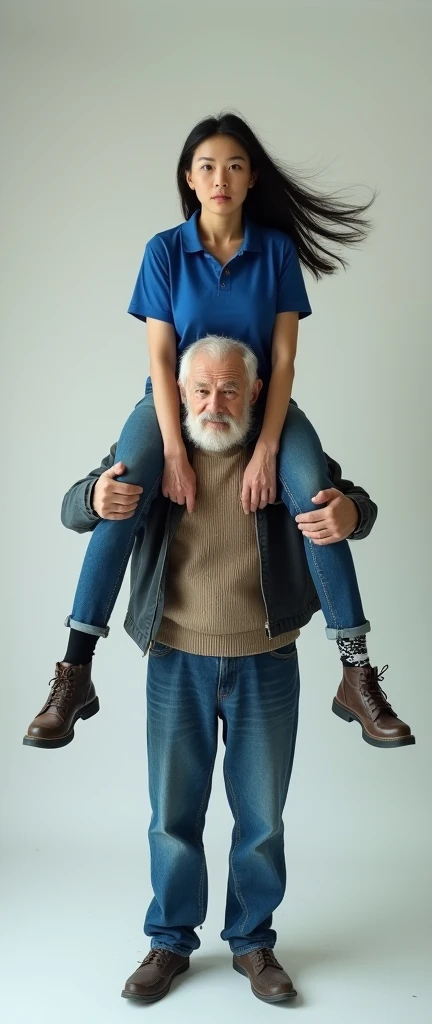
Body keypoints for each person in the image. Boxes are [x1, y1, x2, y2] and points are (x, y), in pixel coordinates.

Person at [26, 340, 413, 1003]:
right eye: (200, 390)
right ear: (177, 390)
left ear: (257, 392)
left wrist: (354, 511)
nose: (214, 403)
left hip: (267, 661)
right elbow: (72, 508)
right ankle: (170, 940)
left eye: (230, 389)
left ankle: (253, 942)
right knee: (172, 817)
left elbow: (353, 504)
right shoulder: (158, 453)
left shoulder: (285, 459)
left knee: (261, 819)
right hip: (177, 659)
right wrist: (96, 496)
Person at [24, 110, 413, 744]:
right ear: (189, 177)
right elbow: (158, 358)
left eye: (234, 165)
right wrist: (173, 451)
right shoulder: (164, 250)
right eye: (207, 166)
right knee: (119, 492)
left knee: (316, 488)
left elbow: (284, 359)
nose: (220, 177)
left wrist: (266, 448)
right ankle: (75, 671)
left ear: (251, 177)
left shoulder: (277, 252)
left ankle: (356, 672)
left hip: (260, 401)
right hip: (171, 402)